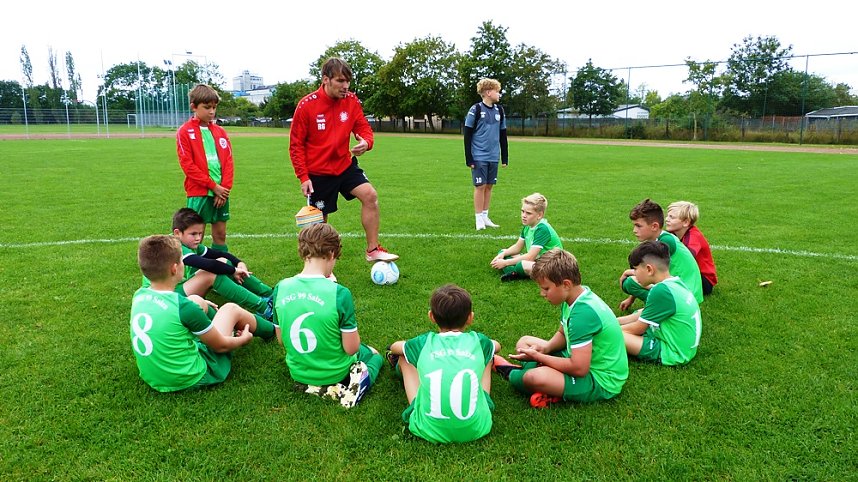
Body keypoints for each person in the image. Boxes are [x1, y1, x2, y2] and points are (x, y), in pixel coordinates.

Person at [289, 57, 398, 263]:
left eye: (348, 81)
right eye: (340, 81)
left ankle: (373, 249)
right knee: (319, 221)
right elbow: (296, 145)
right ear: (325, 79)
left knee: (370, 196)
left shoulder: (351, 101)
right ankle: (320, 266)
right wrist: (303, 176)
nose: (345, 86)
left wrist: (366, 142)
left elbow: (363, 126)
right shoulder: (306, 106)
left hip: (344, 165)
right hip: (318, 172)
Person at [493, 249, 628, 408]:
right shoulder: (576, 296)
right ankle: (551, 386)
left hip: (601, 379)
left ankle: (509, 371)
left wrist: (539, 357)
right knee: (524, 342)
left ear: (566, 284)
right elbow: (562, 333)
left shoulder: (583, 314)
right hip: (579, 358)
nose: (542, 294)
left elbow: (579, 369)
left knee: (534, 378)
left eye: (546, 288)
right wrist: (546, 348)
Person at [272, 223, 384, 408]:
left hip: (298, 371)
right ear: (332, 254)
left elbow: (282, 340)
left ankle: (311, 385)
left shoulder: (280, 288)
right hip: (335, 372)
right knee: (374, 355)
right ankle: (355, 384)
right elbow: (350, 348)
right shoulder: (339, 293)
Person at [130, 235, 258, 392]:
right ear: (174, 268)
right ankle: (273, 329)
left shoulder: (139, 295)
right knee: (230, 310)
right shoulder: (184, 308)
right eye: (182, 260)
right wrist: (243, 340)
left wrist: (197, 303)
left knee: (196, 300)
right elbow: (221, 346)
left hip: (154, 378)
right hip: (191, 377)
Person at [387, 284, 501, 443]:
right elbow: (497, 346)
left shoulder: (424, 342)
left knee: (403, 358)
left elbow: (395, 347)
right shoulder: (479, 341)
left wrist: (397, 348)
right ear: (470, 318)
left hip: (426, 429)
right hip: (478, 427)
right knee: (488, 356)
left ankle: (415, 404)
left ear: (431, 316)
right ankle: (481, 402)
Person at [142, 208, 277, 340]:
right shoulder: (175, 248)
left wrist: (238, 262)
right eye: (193, 234)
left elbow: (219, 255)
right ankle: (264, 308)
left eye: (200, 234)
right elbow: (209, 265)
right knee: (211, 274)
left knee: (223, 261)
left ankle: (268, 293)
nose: (198, 238)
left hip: (172, 292)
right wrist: (233, 270)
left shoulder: (183, 243)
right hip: (167, 298)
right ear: (177, 233)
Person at [617, 241, 702, 366]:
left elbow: (637, 328)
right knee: (642, 312)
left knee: (612, 336)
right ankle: (611, 322)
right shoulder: (675, 282)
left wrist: (608, 331)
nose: (634, 273)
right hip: (686, 348)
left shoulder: (661, 291)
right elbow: (644, 314)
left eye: (635, 269)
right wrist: (614, 322)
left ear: (649, 269)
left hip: (673, 352)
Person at [618, 198, 703, 311]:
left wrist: (628, 272)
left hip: (685, 294)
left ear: (654, 226)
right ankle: (657, 305)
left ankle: (658, 307)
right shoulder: (660, 240)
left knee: (628, 282)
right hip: (684, 291)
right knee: (631, 280)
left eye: (638, 226)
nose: (634, 230)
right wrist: (631, 299)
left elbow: (651, 273)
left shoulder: (666, 242)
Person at [176, 84, 233, 252]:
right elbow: (188, 166)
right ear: (194, 106)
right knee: (193, 236)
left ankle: (220, 268)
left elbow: (229, 162)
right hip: (199, 192)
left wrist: (224, 190)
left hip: (221, 192)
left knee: (220, 234)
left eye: (214, 107)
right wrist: (213, 186)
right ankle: (192, 272)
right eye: (207, 107)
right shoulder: (185, 132)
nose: (212, 112)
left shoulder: (221, 132)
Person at [464, 78, 509, 231]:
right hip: (479, 155)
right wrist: (468, 157)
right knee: (480, 186)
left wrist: (505, 157)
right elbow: (467, 134)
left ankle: (485, 216)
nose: (499, 94)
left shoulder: (499, 111)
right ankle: (478, 219)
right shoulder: (475, 109)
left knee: (489, 186)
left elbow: (503, 134)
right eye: (497, 91)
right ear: (489, 93)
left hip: (493, 156)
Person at [490, 193, 563, 281]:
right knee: (503, 252)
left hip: (552, 265)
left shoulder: (542, 229)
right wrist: (503, 254)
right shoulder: (527, 226)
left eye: (528, 213)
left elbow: (530, 257)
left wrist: (505, 263)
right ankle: (516, 272)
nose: (524, 215)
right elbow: (517, 247)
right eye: (522, 211)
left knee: (522, 264)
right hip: (537, 261)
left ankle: (516, 272)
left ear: (539, 215)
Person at [665, 201, 718, 295]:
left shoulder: (694, 236)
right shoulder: (673, 233)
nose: (666, 219)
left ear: (686, 222)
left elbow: (686, 259)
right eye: (668, 216)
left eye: (672, 217)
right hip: (690, 273)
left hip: (704, 281)